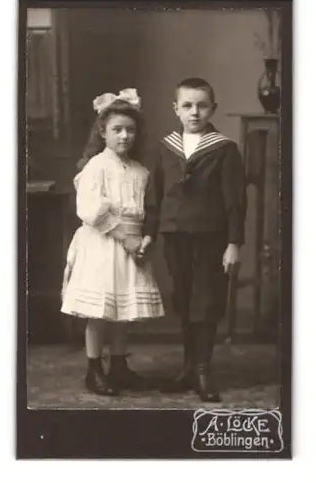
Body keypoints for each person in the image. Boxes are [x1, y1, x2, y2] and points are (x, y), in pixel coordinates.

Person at [139, 78, 246, 402]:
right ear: (176, 109)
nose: (194, 112)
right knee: (183, 299)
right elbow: (155, 196)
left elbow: (235, 200)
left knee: (206, 300)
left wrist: (233, 243)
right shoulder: (165, 147)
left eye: (201, 105)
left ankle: (203, 368)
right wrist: (149, 234)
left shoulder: (224, 149)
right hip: (175, 235)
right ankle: (188, 367)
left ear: (212, 108)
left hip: (211, 236)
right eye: (187, 106)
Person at [61, 88, 164, 396]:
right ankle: (94, 369)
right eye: (116, 130)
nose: (124, 136)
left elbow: (149, 210)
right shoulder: (96, 167)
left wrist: (144, 239)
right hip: (103, 243)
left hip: (132, 244)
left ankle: (119, 366)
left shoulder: (140, 172)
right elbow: (91, 209)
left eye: (130, 130)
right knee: (100, 311)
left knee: (122, 312)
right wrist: (125, 238)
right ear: (102, 132)